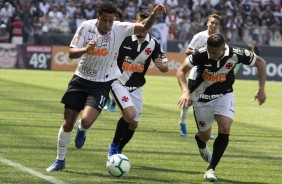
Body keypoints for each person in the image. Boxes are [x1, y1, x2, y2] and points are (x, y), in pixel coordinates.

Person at [45, 2, 166, 172]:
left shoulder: (120, 28)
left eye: (111, 20)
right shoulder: (85, 27)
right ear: (98, 17)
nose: (108, 24)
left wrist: (155, 13)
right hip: (80, 79)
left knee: (86, 121)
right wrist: (85, 49)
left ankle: (82, 129)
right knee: (67, 123)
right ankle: (60, 160)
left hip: (102, 83)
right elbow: (71, 53)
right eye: (104, 20)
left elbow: (145, 25)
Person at [176, 33, 266, 182]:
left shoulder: (237, 54)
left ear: (224, 48)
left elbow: (261, 63)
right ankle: (200, 142)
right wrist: (185, 91)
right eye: (209, 51)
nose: (211, 55)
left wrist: (261, 88)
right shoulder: (200, 54)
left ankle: (211, 168)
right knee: (204, 136)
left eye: (214, 52)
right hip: (201, 98)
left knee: (224, 127)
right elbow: (181, 71)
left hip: (224, 95)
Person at [107, 9, 168, 158]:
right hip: (118, 82)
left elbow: (165, 67)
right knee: (129, 114)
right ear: (135, 23)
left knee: (134, 124)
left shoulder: (154, 43)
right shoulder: (124, 37)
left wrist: (162, 66)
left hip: (136, 87)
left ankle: (119, 149)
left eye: (147, 24)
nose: (143, 27)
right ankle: (114, 145)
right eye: (141, 23)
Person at [178, 14, 221, 137]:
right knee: (188, 102)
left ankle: (207, 129)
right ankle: (182, 123)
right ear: (207, 23)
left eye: (216, 23)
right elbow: (188, 51)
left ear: (218, 26)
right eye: (211, 22)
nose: (213, 25)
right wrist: (202, 52)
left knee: (210, 102)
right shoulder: (200, 36)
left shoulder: (219, 39)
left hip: (211, 75)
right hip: (196, 74)